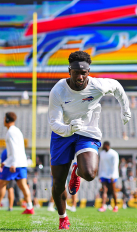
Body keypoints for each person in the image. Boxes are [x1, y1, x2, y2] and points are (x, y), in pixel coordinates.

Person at [48, 51, 130, 229]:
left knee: (90, 174)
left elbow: (117, 87)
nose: (80, 76)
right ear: (69, 71)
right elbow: (54, 122)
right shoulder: (58, 90)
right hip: (63, 133)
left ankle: (77, 171)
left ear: (88, 72)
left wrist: (125, 109)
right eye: (76, 72)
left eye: (84, 72)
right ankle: (63, 217)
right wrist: (69, 128)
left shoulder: (97, 85)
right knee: (58, 181)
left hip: (87, 131)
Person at [0, 112, 34, 215]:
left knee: (1, 184)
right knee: (23, 186)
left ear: (6, 119)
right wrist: (6, 161)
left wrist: (13, 163)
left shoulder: (11, 132)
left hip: (15, 163)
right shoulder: (17, 130)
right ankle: (30, 207)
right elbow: (17, 149)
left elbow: (15, 148)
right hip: (21, 162)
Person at [97, 141, 120, 212]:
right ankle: (103, 206)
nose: (103, 147)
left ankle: (116, 206)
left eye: (104, 145)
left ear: (107, 145)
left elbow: (115, 165)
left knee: (113, 191)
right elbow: (100, 165)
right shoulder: (102, 154)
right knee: (104, 190)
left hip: (112, 175)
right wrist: (99, 175)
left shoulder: (114, 153)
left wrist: (113, 175)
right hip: (104, 175)